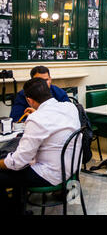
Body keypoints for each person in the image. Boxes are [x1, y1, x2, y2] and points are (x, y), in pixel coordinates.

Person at [0, 78, 81, 214]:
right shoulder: (70, 107)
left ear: (29, 100)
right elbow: (53, 121)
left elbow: (18, 162)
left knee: (8, 170)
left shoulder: (37, 119)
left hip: (51, 175)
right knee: (17, 168)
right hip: (72, 168)